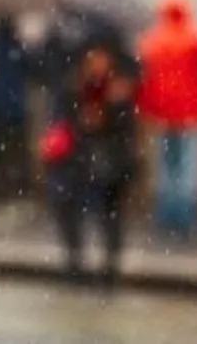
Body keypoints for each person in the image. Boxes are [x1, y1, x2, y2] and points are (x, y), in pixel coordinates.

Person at [47, 43, 138, 286]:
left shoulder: (119, 91)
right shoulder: (73, 88)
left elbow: (126, 130)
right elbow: (61, 121)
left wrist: (109, 113)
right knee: (68, 207)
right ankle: (75, 261)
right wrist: (82, 123)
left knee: (110, 211)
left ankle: (110, 265)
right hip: (77, 160)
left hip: (110, 161)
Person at [136, 0, 197, 239]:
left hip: (163, 114)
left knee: (166, 168)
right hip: (193, 113)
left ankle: (165, 217)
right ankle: (186, 220)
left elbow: (144, 80)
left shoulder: (152, 42)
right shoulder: (196, 40)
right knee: (189, 169)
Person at [0, 12, 30, 195]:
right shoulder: (17, 49)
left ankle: (5, 183)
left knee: (1, 148)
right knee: (17, 148)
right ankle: (19, 183)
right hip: (15, 107)